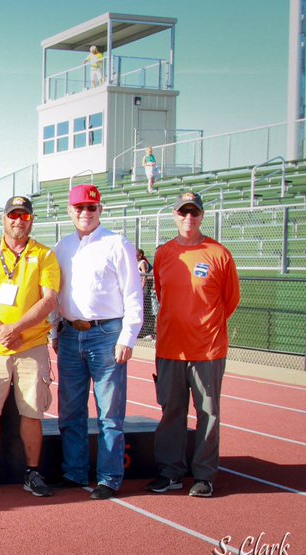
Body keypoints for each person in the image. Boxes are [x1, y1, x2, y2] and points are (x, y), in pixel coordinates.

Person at [146, 192, 240, 498]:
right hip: (170, 347)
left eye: (194, 213)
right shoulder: (164, 254)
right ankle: (170, 472)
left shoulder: (219, 254)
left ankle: (204, 475)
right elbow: (162, 294)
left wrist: (204, 326)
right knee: (171, 411)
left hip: (207, 349)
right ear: (175, 215)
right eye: (183, 212)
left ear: (202, 216)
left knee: (207, 413)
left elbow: (230, 300)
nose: (189, 218)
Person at [53, 185, 144, 500]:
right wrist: (54, 332)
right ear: (70, 211)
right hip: (69, 334)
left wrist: (127, 337)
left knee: (109, 413)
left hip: (107, 335)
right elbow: (56, 294)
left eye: (91, 207)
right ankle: (74, 472)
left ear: (100, 210)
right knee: (70, 411)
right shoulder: (62, 247)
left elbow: (133, 294)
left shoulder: (117, 244)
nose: (85, 213)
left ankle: (109, 478)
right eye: (79, 207)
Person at [0, 196, 59, 498]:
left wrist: (16, 329)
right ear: (4, 219)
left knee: (32, 411)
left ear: (31, 220)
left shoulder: (44, 255)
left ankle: (32, 472)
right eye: (13, 215)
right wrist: (0, 330)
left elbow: (49, 300)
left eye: (24, 216)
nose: (19, 221)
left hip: (31, 344)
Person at [138, 248, 155, 339]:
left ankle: (146, 332)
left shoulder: (142, 262)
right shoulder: (134, 263)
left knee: (144, 311)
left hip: (142, 291)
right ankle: (140, 331)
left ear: (140, 255)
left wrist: (142, 287)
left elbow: (144, 275)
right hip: (136, 290)